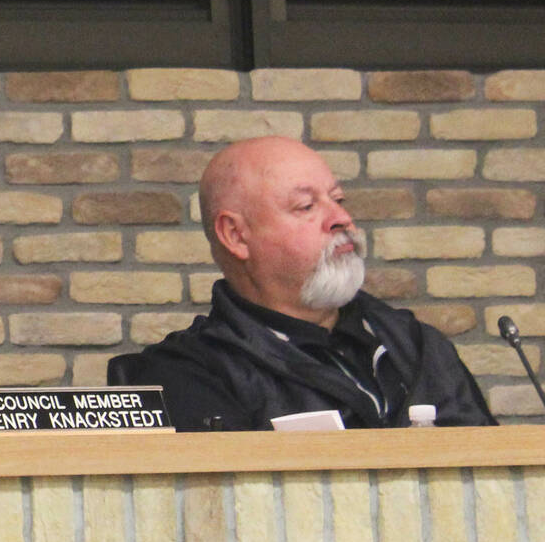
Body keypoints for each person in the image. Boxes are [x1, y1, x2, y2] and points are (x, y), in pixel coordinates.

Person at [116, 135, 493, 430]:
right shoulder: (186, 375)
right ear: (236, 235)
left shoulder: (417, 347)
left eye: (338, 198)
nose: (341, 218)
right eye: (307, 207)